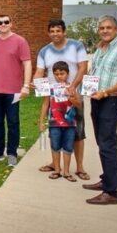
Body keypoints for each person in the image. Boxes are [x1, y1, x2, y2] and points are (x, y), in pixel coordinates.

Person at [83, 15, 117, 205]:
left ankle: (111, 192)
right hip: (97, 101)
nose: (104, 31)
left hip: (111, 101)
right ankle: (106, 179)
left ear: (116, 30)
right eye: (101, 28)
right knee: (101, 142)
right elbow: (95, 73)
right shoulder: (99, 49)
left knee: (107, 145)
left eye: (108, 28)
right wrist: (88, 88)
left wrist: (106, 91)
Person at [34, 19, 90, 180]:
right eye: (52, 31)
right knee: (56, 130)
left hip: (73, 96)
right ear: (48, 33)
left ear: (64, 31)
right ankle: (55, 165)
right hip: (54, 98)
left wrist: (73, 86)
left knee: (78, 132)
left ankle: (79, 167)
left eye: (58, 31)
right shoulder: (45, 51)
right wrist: (35, 82)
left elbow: (83, 67)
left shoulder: (76, 46)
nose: (55, 34)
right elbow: (39, 70)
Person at [0, 14, 32, 166]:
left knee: (13, 122)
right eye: (0, 22)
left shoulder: (20, 41)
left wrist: (26, 85)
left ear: (11, 23)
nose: (3, 24)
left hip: (13, 90)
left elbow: (27, 63)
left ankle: (12, 153)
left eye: (6, 22)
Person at [38, 61, 82, 182]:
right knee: (55, 145)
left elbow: (79, 105)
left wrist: (71, 97)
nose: (59, 76)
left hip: (70, 123)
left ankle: (66, 171)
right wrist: (41, 121)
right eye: (56, 74)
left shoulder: (72, 88)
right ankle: (57, 170)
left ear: (67, 73)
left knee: (68, 147)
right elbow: (45, 104)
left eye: (62, 73)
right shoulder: (50, 88)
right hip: (54, 123)